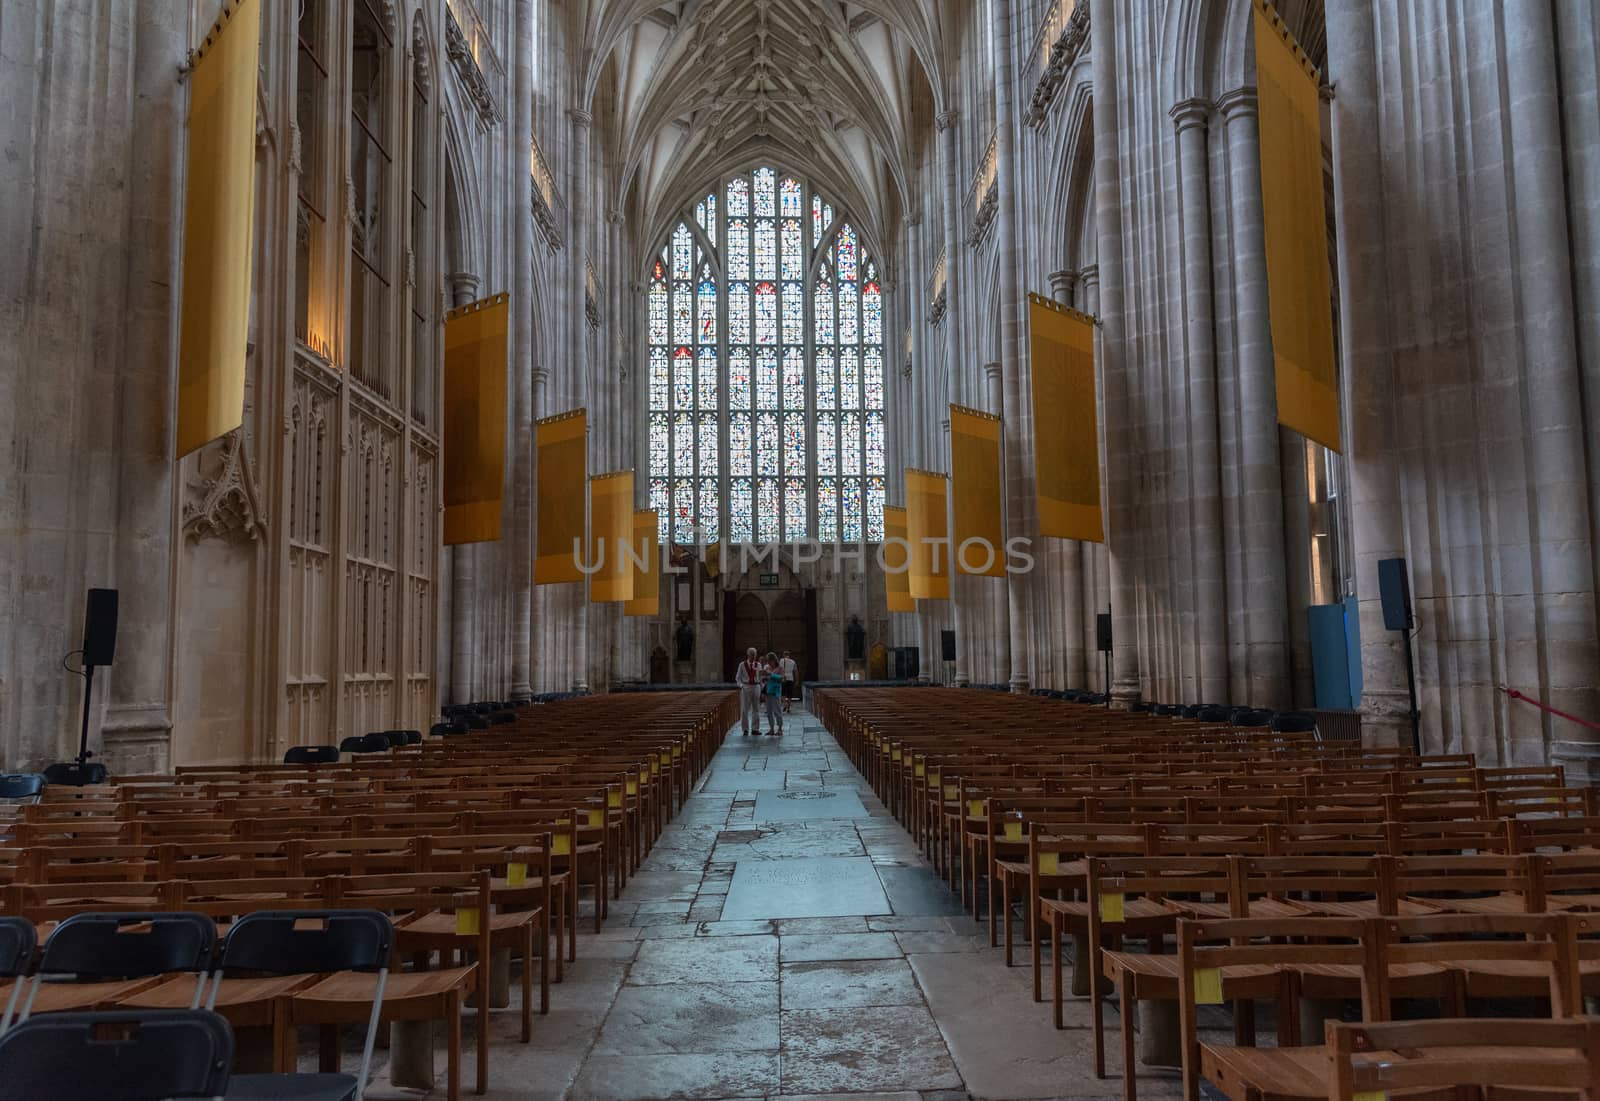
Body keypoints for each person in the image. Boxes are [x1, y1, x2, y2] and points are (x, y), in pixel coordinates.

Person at [734, 647, 762, 736]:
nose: (754, 656)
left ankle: (755, 729)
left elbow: (761, 677)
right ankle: (745, 729)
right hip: (746, 686)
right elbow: (737, 677)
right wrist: (741, 686)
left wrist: (761, 687)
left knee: (756, 708)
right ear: (748, 655)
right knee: (744, 709)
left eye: (755, 655)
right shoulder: (742, 665)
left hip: (756, 686)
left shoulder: (758, 665)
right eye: (752, 655)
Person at [763, 652, 784, 735]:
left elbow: (781, 678)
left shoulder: (780, 668)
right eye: (767, 661)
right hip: (768, 691)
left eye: (769, 661)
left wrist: (771, 674)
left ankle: (780, 729)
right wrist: (763, 677)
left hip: (775, 691)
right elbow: (765, 679)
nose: (768, 663)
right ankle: (771, 728)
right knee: (769, 711)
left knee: (777, 711)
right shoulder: (767, 667)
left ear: (774, 660)